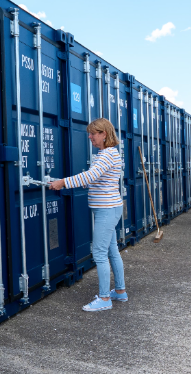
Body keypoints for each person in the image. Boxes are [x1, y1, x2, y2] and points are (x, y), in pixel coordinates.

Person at [49, 118, 128, 312]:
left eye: (94, 133)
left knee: (100, 253)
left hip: (106, 210)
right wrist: (85, 183)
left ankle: (104, 299)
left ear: (104, 134)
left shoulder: (106, 155)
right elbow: (99, 179)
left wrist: (63, 182)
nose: (90, 137)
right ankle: (119, 291)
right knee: (111, 251)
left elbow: (90, 176)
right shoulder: (108, 154)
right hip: (110, 208)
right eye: (90, 133)